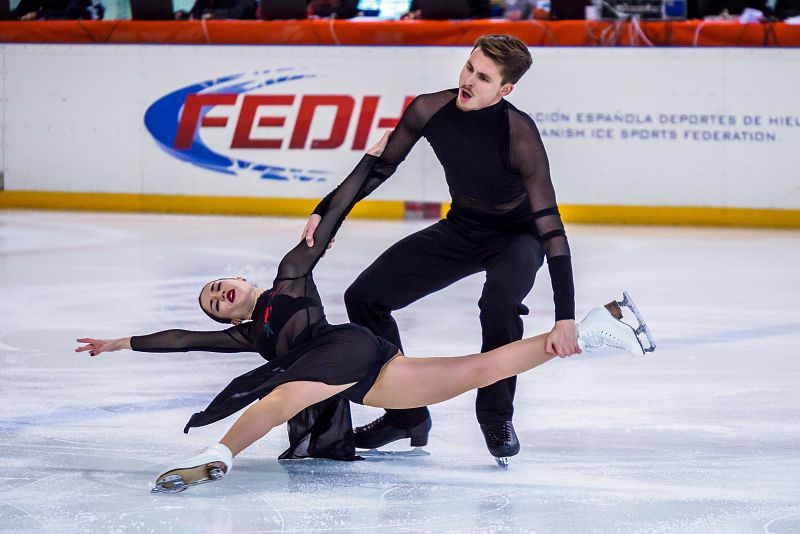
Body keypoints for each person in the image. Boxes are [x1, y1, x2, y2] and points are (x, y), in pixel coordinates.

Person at [76, 132, 653, 494]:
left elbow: (323, 230)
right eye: (213, 305)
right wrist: (120, 343)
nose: (218, 295)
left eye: (217, 285)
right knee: (481, 369)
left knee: (280, 398)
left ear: (240, 279)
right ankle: (604, 325)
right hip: (366, 372)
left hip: (344, 348)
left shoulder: (289, 279)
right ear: (229, 321)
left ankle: (217, 454)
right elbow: (183, 340)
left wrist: (359, 170)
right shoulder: (251, 338)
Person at [300, 34, 573, 463]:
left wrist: (565, 317)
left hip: (517, 238)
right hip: (462, 229)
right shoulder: (430, 109)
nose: (467, 80)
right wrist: (325, 213)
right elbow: (378, 168)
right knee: (365, 297)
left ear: (505, 90)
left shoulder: (519, 134)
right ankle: (405, 414)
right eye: (468, 67)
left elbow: (551, 229)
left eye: (482, 78)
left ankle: (496, 414)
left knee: (499, 306)